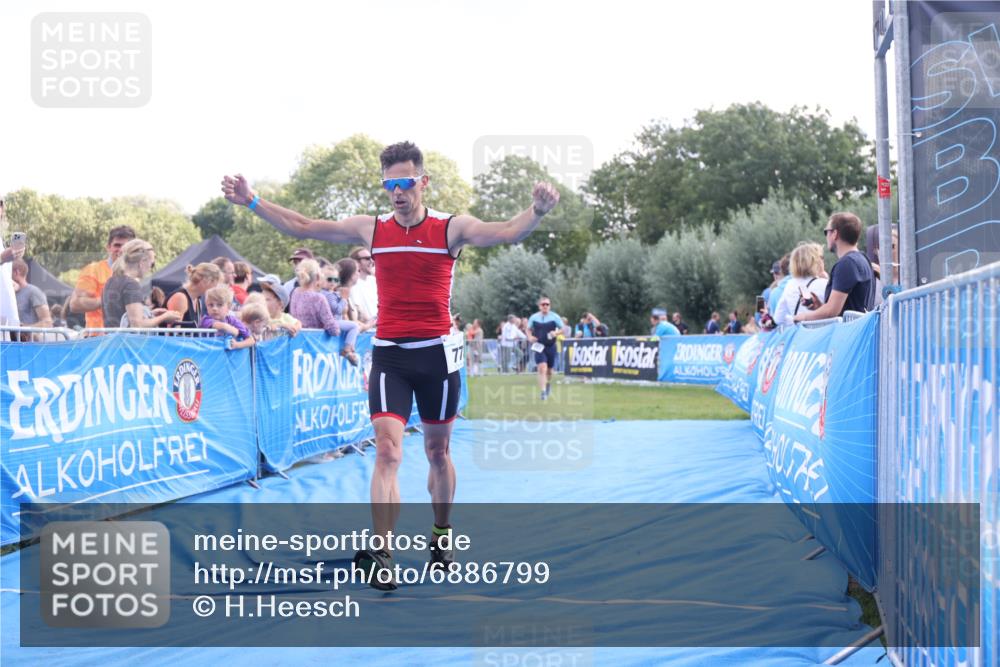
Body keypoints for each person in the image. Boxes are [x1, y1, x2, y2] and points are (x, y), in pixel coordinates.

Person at [221, 140, 559, 587]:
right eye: (389, 185)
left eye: (405, 183)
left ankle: (441, 534)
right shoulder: (372, 229)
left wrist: (535, 211)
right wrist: (253, 201)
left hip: (437, 357)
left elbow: (504, 232)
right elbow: (303, 225)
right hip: (391, 356)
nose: (397, 193)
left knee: (438, 452)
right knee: (387, 450)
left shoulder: (450, 229)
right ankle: (382, 550)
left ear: (423, 182)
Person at [796, 212, 876, 322]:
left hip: (849, 335)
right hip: (857, 332)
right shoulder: (862, 259)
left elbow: (832, 311)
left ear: (835, 234)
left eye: (826, 232)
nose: (826, 236)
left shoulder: (847, 264)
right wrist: (819, 306)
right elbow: (844, 309)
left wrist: (802, 317)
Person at [102, 239, 182, 328]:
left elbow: (121, 317)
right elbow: (137, 325)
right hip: (128, 341)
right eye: (152, 264)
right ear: (142, 262)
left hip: (112, 339)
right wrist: (164, 317)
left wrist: (150, 314)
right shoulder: (131, 285)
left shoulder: (110, 281)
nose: (150, 269)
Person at [69, 225, 136, 329]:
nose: (121, 250)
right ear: (108, 247)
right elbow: (74, 304)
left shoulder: (137, 273)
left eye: (126, 246)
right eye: (117, 245)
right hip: (98, 339)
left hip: (128, 338)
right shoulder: (93, 270)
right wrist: (108, 299)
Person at [773, 242, 829, 328]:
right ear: (814, 261)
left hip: (799, 336)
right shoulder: (824, 284)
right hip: (822, 336)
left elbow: (778, 319)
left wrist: (794, 318)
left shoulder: (789, 285)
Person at [321, 258, 362, 366]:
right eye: (329, 279)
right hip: (333, 321)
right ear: (321, 279)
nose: (333, 283)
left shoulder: (330, 293)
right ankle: (347, 349)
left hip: (334, 321)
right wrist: (343, 299)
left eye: (336, 280)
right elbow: (336, 309)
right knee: (354, 326)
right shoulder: (327, 294)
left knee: (353, 326)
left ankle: (350, 346)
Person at [289, 258, 341, 337]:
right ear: (317, 276)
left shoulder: (295, 292)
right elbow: (333, 330)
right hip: (315, 343)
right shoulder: (319, 298)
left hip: (297, 339)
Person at [527, 296, 564, 400]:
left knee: (549, 371)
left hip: (551, 346)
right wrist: (529, 337)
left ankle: (547, 385)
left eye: (547, 304)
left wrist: (556, 332)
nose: (545, 306)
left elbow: (563, 329)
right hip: (539, 346)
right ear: (539, 306)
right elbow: (528, 329)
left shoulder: (555, 317)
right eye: (543, 304)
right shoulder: (534, 317)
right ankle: (543, 392)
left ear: (549, 306)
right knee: (542, 368)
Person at [166, 262, 222, 328]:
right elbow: (172, 333)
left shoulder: (197, 300)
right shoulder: (180, 298)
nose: (215, 288)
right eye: (215, 284)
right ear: (205, 281)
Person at [200, 284, 254, 349]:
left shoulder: (232, 320)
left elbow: (251, 340)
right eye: (211, 305)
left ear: (228, 307)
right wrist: (234, 330)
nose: (214, 308)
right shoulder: (206, 319)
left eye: (219, 305)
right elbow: (221, 326)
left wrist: (237, 345)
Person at [11, 259, 52, 333]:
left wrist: (23, 329)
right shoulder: (8, 293)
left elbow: (47, 323)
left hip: (28, 343)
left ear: (16, 272)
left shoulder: (34, 292)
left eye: (8, 272)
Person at [349, 245, 378, 323]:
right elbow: (358, 310)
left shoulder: (374, 280)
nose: (371, 261)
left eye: (372, 258)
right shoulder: (352, 283)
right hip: (365, 330)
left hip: (380, 327)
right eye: (367, 258)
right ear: (357, 262)